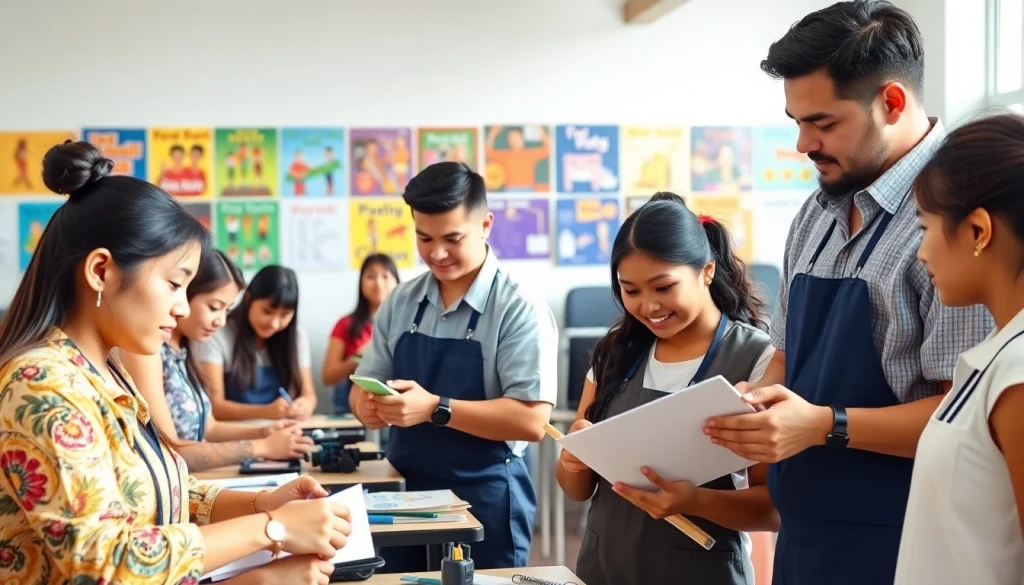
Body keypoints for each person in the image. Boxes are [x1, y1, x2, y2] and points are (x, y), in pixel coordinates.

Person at [702, 3, 994, 584]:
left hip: (904, 541)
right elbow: (786, 357)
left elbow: (967, 413)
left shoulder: (958, 217)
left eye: (824, 123)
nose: (804, 143)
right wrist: (749, 406)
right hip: (805, 535)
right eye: (796, 122)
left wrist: (823, 425)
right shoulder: (816, 214)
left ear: (891, 101)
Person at [0, 140, 351, 585]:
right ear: (101, 272)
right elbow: (99, 562)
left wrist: (262, 504)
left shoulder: (107, 370)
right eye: (174, 284)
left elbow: (157, 488)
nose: (183, 309)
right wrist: (270, 532)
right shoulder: (42, 382)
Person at [557, 193, 780, 585]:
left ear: (706, 271)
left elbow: (773, 509)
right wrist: (572, 462)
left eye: (663, 287)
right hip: (604, 567)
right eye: (631, 291)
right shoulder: (614, 353)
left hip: (703, 571)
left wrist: (695, 501)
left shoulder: (759, 360)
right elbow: (577, 490)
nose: (648, 307)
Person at [350, 162, 558, 571]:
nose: (436, 253)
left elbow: (531, 421)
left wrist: (433, 408)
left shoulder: (518, 307)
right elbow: (364, 385)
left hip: (486, 497)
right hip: (404, 496)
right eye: (423, 238)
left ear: (485, 224)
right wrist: (368, 407)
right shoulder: (401, 301)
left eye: (452, 238)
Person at [893, 114, 1024, 583]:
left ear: (978, 231)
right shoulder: (996, 353)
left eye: (926, 227)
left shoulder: (1017, 375)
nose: (921, 252)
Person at [121, 248, 315, 471]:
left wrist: (263, 432)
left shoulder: (183, 349)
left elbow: (208, 428)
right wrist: (260, 446)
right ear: (184, 293)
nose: (221, 321)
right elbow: (172, 453)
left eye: (227, 309)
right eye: (214, 308)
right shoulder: (148, 350)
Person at [195, 265, 317, 421]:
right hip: (233, 433)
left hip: (280, 432)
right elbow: (214, 406)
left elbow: (309, 394)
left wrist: (305, 405)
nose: (274, 323)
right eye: (267, 311)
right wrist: (265, 412)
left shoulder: (296, 336)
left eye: (285, 315)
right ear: (248, 299)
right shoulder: (217, 333)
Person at [322, 253, 400, 415]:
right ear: (361, 283)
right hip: (353, 411)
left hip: (399, 408)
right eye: (371, 276)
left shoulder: (409, 324)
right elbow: (328, 377)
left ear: (397, 282)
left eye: (385, 276)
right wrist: (357, 357)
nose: (378, 283)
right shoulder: (345, 324)